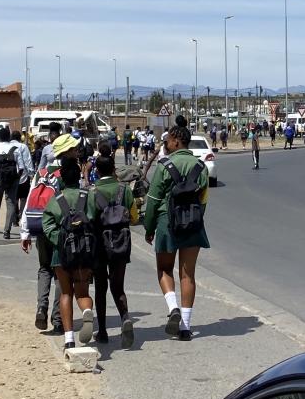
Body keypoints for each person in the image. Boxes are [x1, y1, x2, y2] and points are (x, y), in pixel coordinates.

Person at [143, 125, 209, 341]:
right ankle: (186, 327)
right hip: (193, 224)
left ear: (176, 141)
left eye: (167, 140)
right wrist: (195, 220)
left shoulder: (164, 166)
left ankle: (173, 308)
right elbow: (203, 202)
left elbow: (153, 201)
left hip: (167, 223)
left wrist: (149, 228)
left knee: (164, 269)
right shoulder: (201, 167)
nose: (165, 144)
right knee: (188, 274)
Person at [22, 133, 79, 334]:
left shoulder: (42, 172)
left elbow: (30, 198)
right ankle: (57, 319)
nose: (77, 151)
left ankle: (41, 308)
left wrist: (25, 231)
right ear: (67, 152)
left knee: (44, 268)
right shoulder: (68, 173)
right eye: (74, 149)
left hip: (39, 225)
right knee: (60, 272)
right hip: (59, 229)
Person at [42, 153, 98, 349]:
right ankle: (87, 312)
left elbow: (47, 225)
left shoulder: (56, 199)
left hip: (62, 254)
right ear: (78, 176)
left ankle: (68, 339)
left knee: (65, 293)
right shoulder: (88, 196)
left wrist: (59, 239)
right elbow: (96, 220)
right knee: (82, 292)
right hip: (85, 252)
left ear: (62, 178)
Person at [90, 154, 138, 348]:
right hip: (121, 244)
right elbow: (134, 217)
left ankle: (102, 332)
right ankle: (125, 317)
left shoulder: (92, 192)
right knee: (118, 287)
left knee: (100, 288)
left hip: (100, 246)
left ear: (96, 171)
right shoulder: (124, 190)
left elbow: (89, 219)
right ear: (113, 170)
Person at [0, 127, 30, 240]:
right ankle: (7, 230)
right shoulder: (15, 149)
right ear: (9, 137)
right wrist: (16, 178)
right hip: (12, 180)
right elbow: (21, 167)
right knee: (11, 203)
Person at [13, 131, 34, 222]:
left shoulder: (8, 146)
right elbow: (27, 161)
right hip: (23, 176)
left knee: (14, 198)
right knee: (23, 197)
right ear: (20, 138)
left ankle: (14, 218)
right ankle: (21, 215)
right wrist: (31, 174)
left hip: (12, 177)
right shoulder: (23, 147)